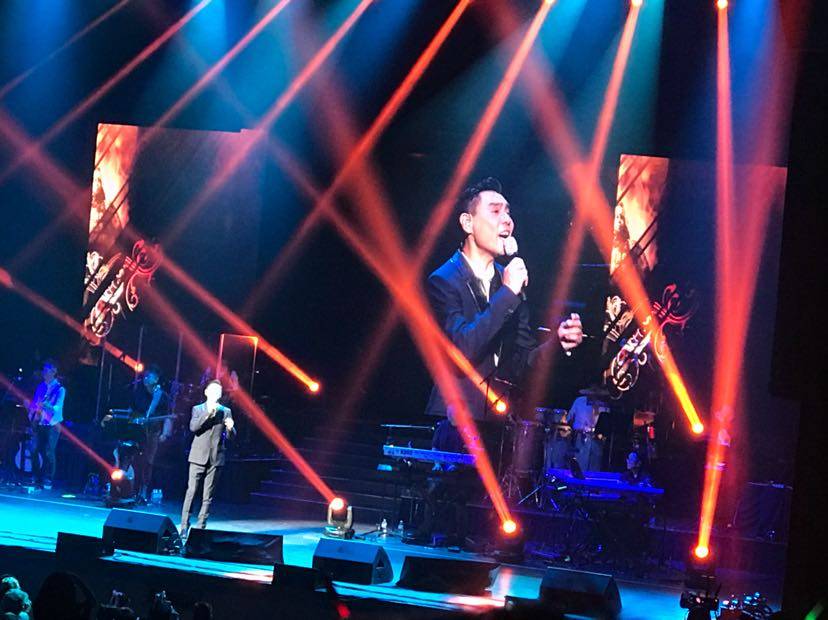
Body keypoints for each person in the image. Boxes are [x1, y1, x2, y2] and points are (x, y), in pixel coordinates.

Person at [424, 177, 583, 420]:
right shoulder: (443, 281)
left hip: (499, 421)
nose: (507, 220)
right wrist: (507, 293)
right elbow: (461, 351)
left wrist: (556, 344)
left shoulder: (509, 280)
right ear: (467, 223)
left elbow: (521, 363)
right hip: (455, 420)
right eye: (495, 211)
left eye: (508, 212)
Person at [180, 380, 235, 535]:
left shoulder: (226, 411)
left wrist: (230, 428)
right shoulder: (198, 409)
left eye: (219, 392)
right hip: (197, 456)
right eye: (213, 391)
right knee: (191, 491)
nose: (216, 393)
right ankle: (184, 526)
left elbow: (231, 437)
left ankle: (201, 528)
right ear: (206, 392)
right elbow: (194, 428)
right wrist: (208, 414)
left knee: (208, 496)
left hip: (216, 458)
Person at [128, 365, 172, 501]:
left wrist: (165, 434)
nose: (146, 378)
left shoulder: (162, 396)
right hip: (137, 431)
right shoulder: (138, 392)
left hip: (153, 432)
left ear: (156, 379)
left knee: (148, 461)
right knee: (135, 459)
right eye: (145, 376)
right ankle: (131, 489)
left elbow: (168, 417)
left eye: (149, 376)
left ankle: (143, 491)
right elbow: (131, 410)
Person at [25, 360, 65, 490]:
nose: (44, 372)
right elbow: (35, 403)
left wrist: (47, 406)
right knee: (33, 449)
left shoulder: (60, 389)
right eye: (44, 370)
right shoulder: (40, 387)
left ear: (54, 372)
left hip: (53, 424)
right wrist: (30, 411)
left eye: (47, 370)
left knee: (49, 451)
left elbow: (57, 408)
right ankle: (36, 477)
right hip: (40, 422)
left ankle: (48, 478)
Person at [567, 384, 610, 472]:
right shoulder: (579, 401)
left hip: (596, 438)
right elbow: (570, 418)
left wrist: (596, 410)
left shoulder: (604, 405)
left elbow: (604, 424)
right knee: (581, 462)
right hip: (580, 436)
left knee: (594, 465)